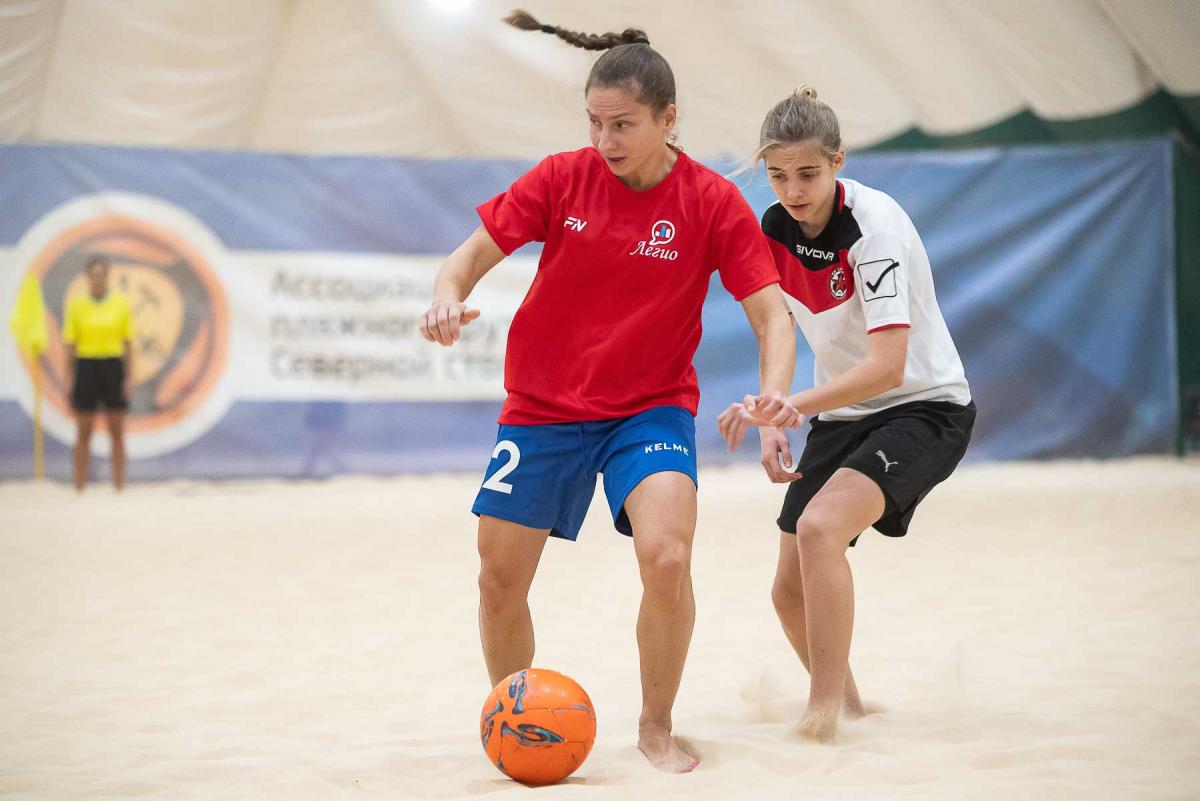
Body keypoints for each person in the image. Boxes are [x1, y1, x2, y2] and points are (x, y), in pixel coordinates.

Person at [419, 10, 796, 773]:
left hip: (650, 409)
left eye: (622, 124)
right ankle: (515, 721)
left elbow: (772, 317)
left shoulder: (710, 201)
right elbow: (464, 261)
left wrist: (774, 405)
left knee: (668, 557)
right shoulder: (562, 178)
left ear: (668, 118)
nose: (605, 140)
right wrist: (444, 300)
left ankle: (656, 726)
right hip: (542, 406)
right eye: (594, 122)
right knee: (497, 579)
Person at [717, 86, 976, 743]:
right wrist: (772, 415)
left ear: (838, 161)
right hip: (842, 409)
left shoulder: (875, 227)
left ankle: (821, 717)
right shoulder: (773, 227)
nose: (793, 190)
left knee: (819, 528)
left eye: (808, 173)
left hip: (924, 405)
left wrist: (792, 406)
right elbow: (777, 325)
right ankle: (853, 710)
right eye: (778, 175)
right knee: (786, 591)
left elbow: (888, 367)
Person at [62, 254, 135, 492]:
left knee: (116, 429)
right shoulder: (77, 305)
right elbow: (70, 343)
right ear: (87, 277)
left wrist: (129, 377)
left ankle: (119, 485)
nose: (98, 279)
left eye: (102, 274)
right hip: (86, 365)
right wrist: (68, 376)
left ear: (107, 276)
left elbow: (128, 342)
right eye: (94, 274)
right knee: (84, 429)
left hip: (112, 365)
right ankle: (79, 486)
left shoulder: (120, 304)